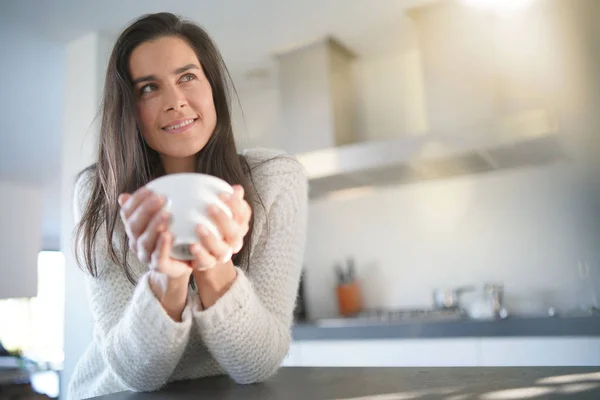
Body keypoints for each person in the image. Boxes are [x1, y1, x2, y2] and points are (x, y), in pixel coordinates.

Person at [67, 12, 308, 400]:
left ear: (212, 86)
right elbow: (134, 374)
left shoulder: (274, 180)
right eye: (148, 88)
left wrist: (215, 269)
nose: (175, 102)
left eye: (187, 77)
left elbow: (258, 363)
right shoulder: (99, 191)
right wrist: (168, 280)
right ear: (129, 107)